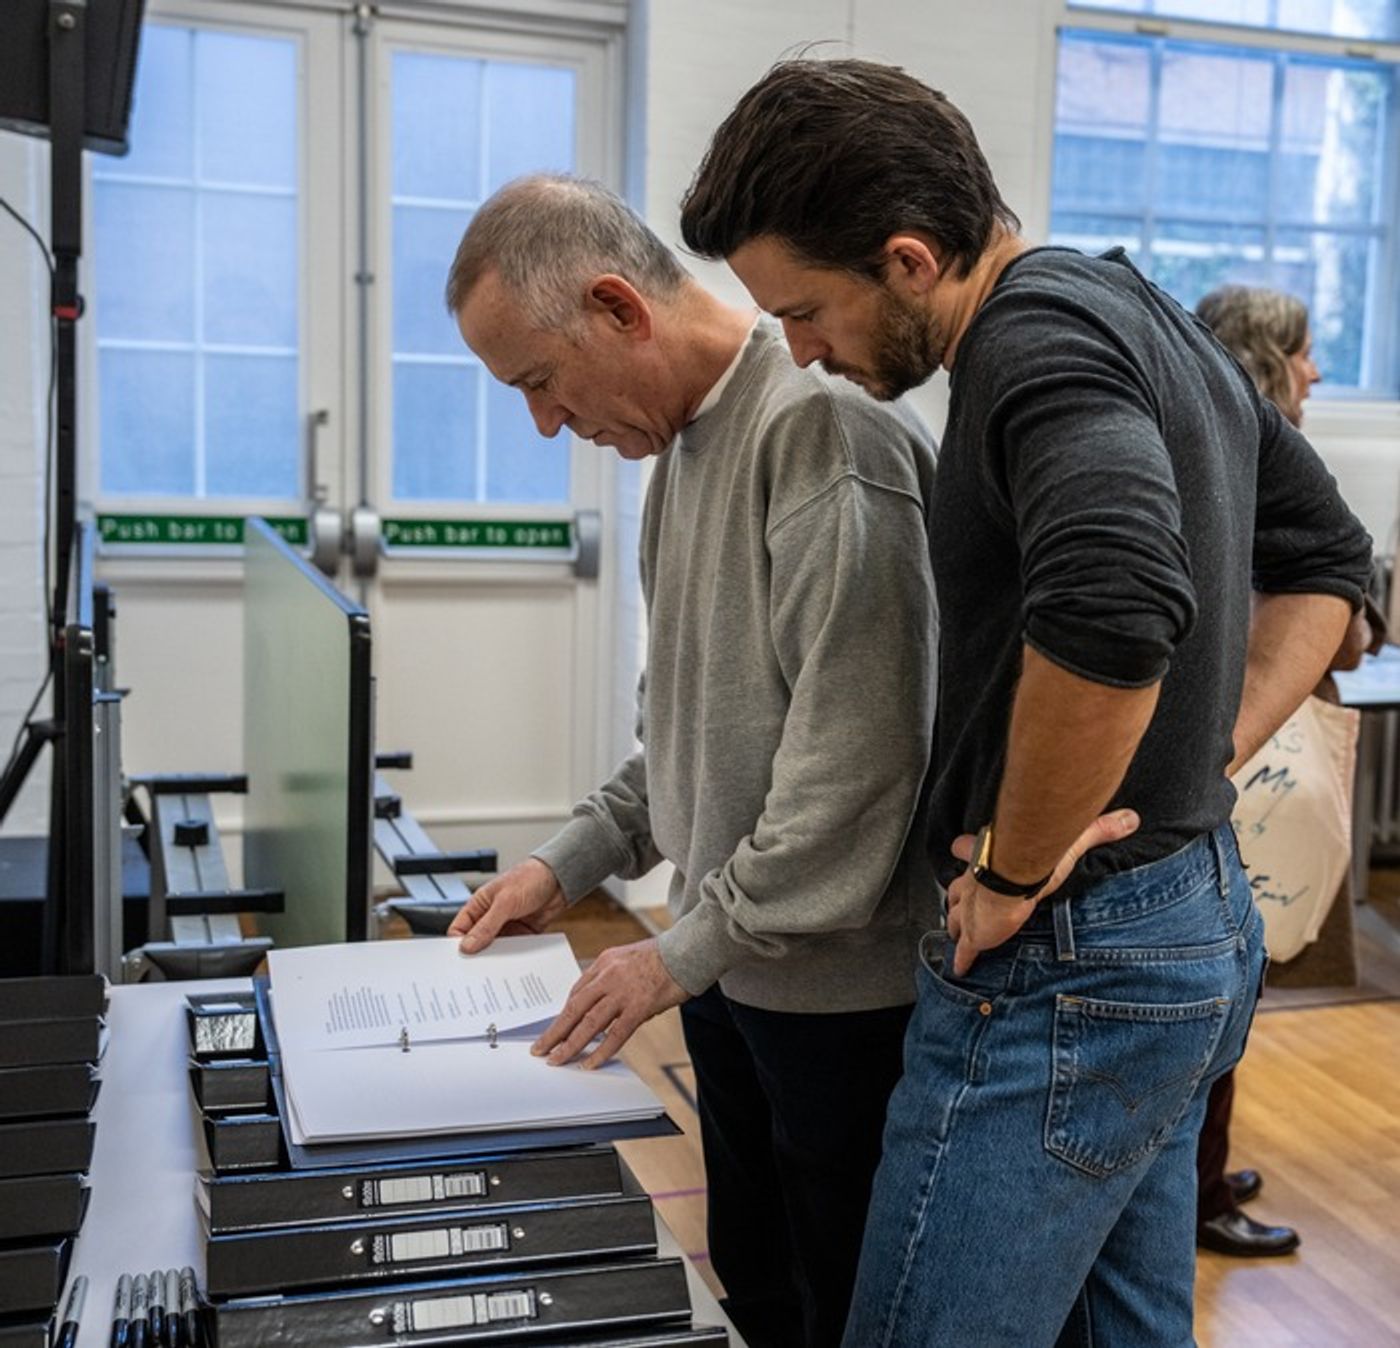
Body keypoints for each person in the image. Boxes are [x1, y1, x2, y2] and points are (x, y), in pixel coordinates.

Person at [679, 59, 1374, 1348]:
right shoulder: (1134, 307)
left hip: (1074, 955)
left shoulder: (1032, 340)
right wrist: (1198, 750)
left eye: (805, 310)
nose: (801, 351)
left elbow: (1113, 601)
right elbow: (1328, 561)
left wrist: (1012, 865)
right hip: (1180, 918)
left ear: (906, 259)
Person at [439, 173, 945, 1348]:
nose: (546, 424)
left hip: (839, 1002)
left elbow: (857, 771)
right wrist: (566, 861)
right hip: (733, 968)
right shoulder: (681, 452)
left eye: (538, 381)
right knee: (754, 1290)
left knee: (837, 1309)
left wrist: (679, 952)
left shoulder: (822, 430)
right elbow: (683, 729)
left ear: (618, 308)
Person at [1193, 283, 1386, 1258]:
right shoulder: (1261, 464)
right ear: (1268, 358)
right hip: (1246, 763)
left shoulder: (1198, 449)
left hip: (1227, 756)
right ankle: (1194, 1195)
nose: (1315, 369)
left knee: (1225, 980)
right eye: (1303, 350)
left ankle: (1201, 1172)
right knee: (1225, 984)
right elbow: (1343, 630)